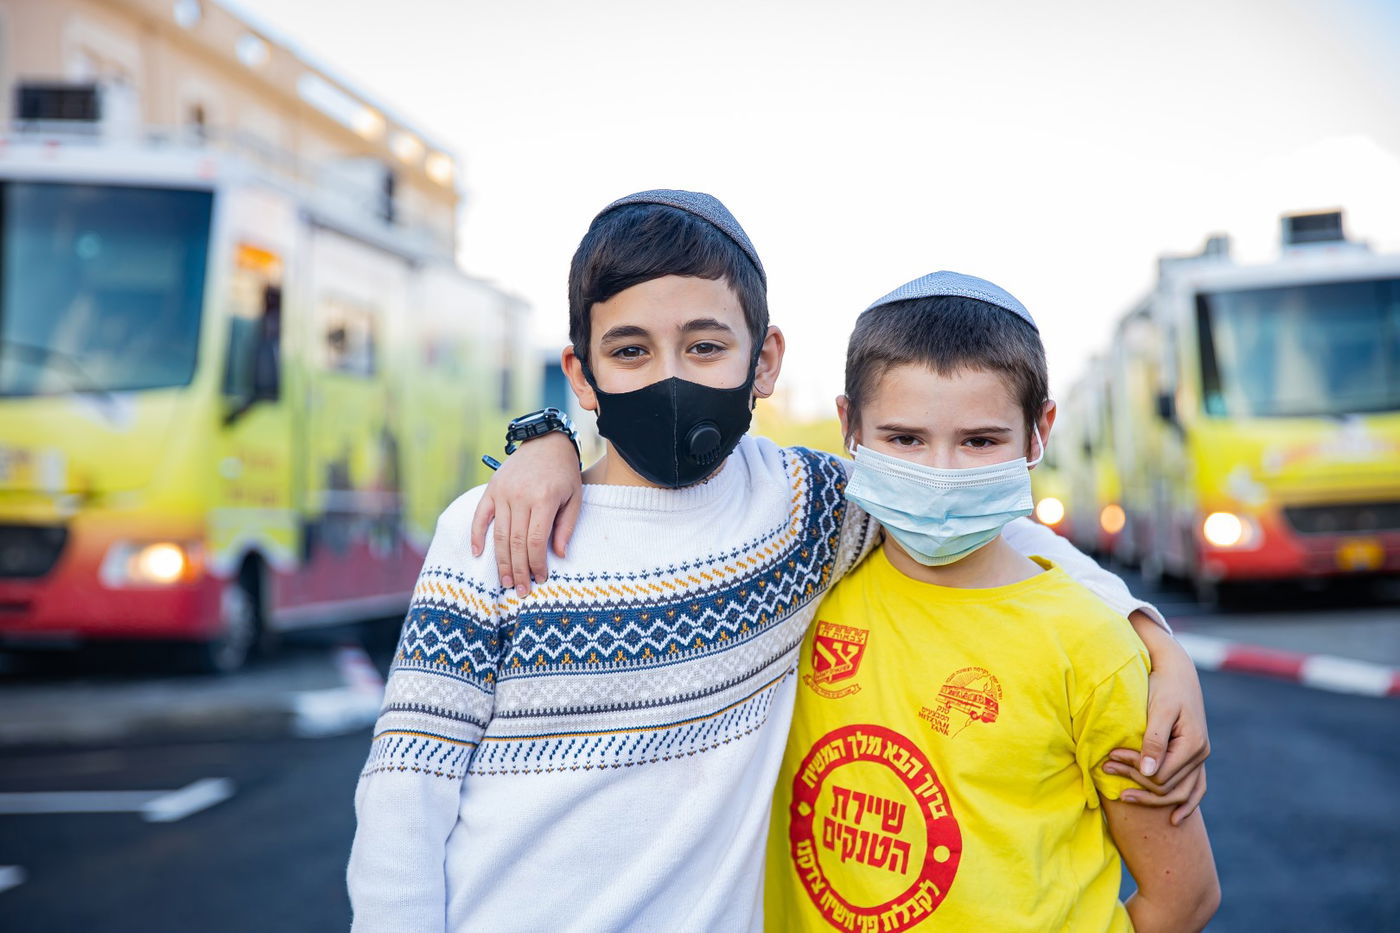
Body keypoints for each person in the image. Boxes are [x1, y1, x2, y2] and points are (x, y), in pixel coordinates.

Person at [347, 190, 1207, 932]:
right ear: (582, 371)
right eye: (631, 350)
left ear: (765, 361)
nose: (670, 377)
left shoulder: (805, 509)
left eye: (707, 346)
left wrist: (1148, 634)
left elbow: (977, 516)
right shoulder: (495, 528)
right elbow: (405, 794)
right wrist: (548, 446)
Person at [764, 272, 1219, 932]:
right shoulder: (800, 598)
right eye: (905, 439)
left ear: (1039, 433)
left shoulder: (1095, 646)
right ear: (848, 426)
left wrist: (1154, 642)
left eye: (980, 441)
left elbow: (1184, 896)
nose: (940, 475)